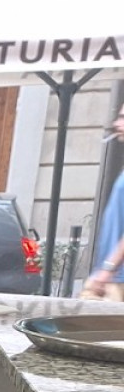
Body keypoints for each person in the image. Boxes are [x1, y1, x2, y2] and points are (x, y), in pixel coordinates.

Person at [85, 102, 124, 299]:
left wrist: (108, 268)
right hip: (111, 277)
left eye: (123, 118)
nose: (117, 123)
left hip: (116, 278)